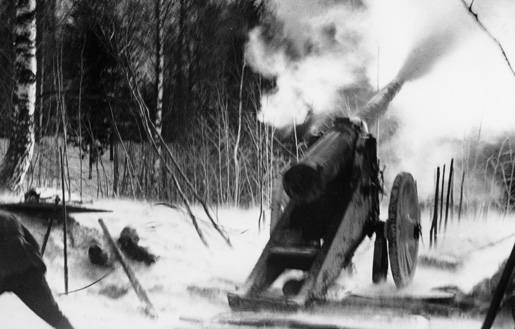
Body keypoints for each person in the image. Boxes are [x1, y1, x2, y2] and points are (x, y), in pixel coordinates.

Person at [0, 209, 75, 329]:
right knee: (54, 315)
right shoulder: (10, 217)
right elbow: (34, 244)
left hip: (8, 274)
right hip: (29, 269)